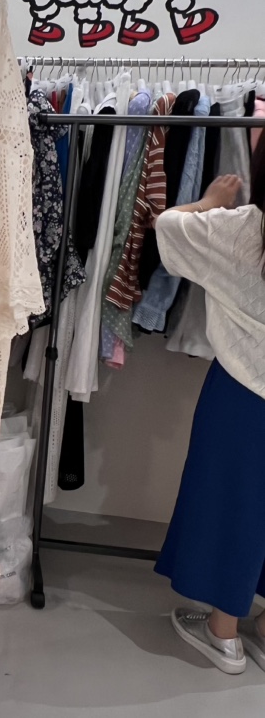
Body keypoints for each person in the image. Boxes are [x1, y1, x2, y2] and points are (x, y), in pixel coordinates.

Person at [154, 147, 265, 675]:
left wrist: (207, 201)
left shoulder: (243, 229)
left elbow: (168, 229)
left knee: (235, 505)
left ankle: (224, 636)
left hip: (245, 391)